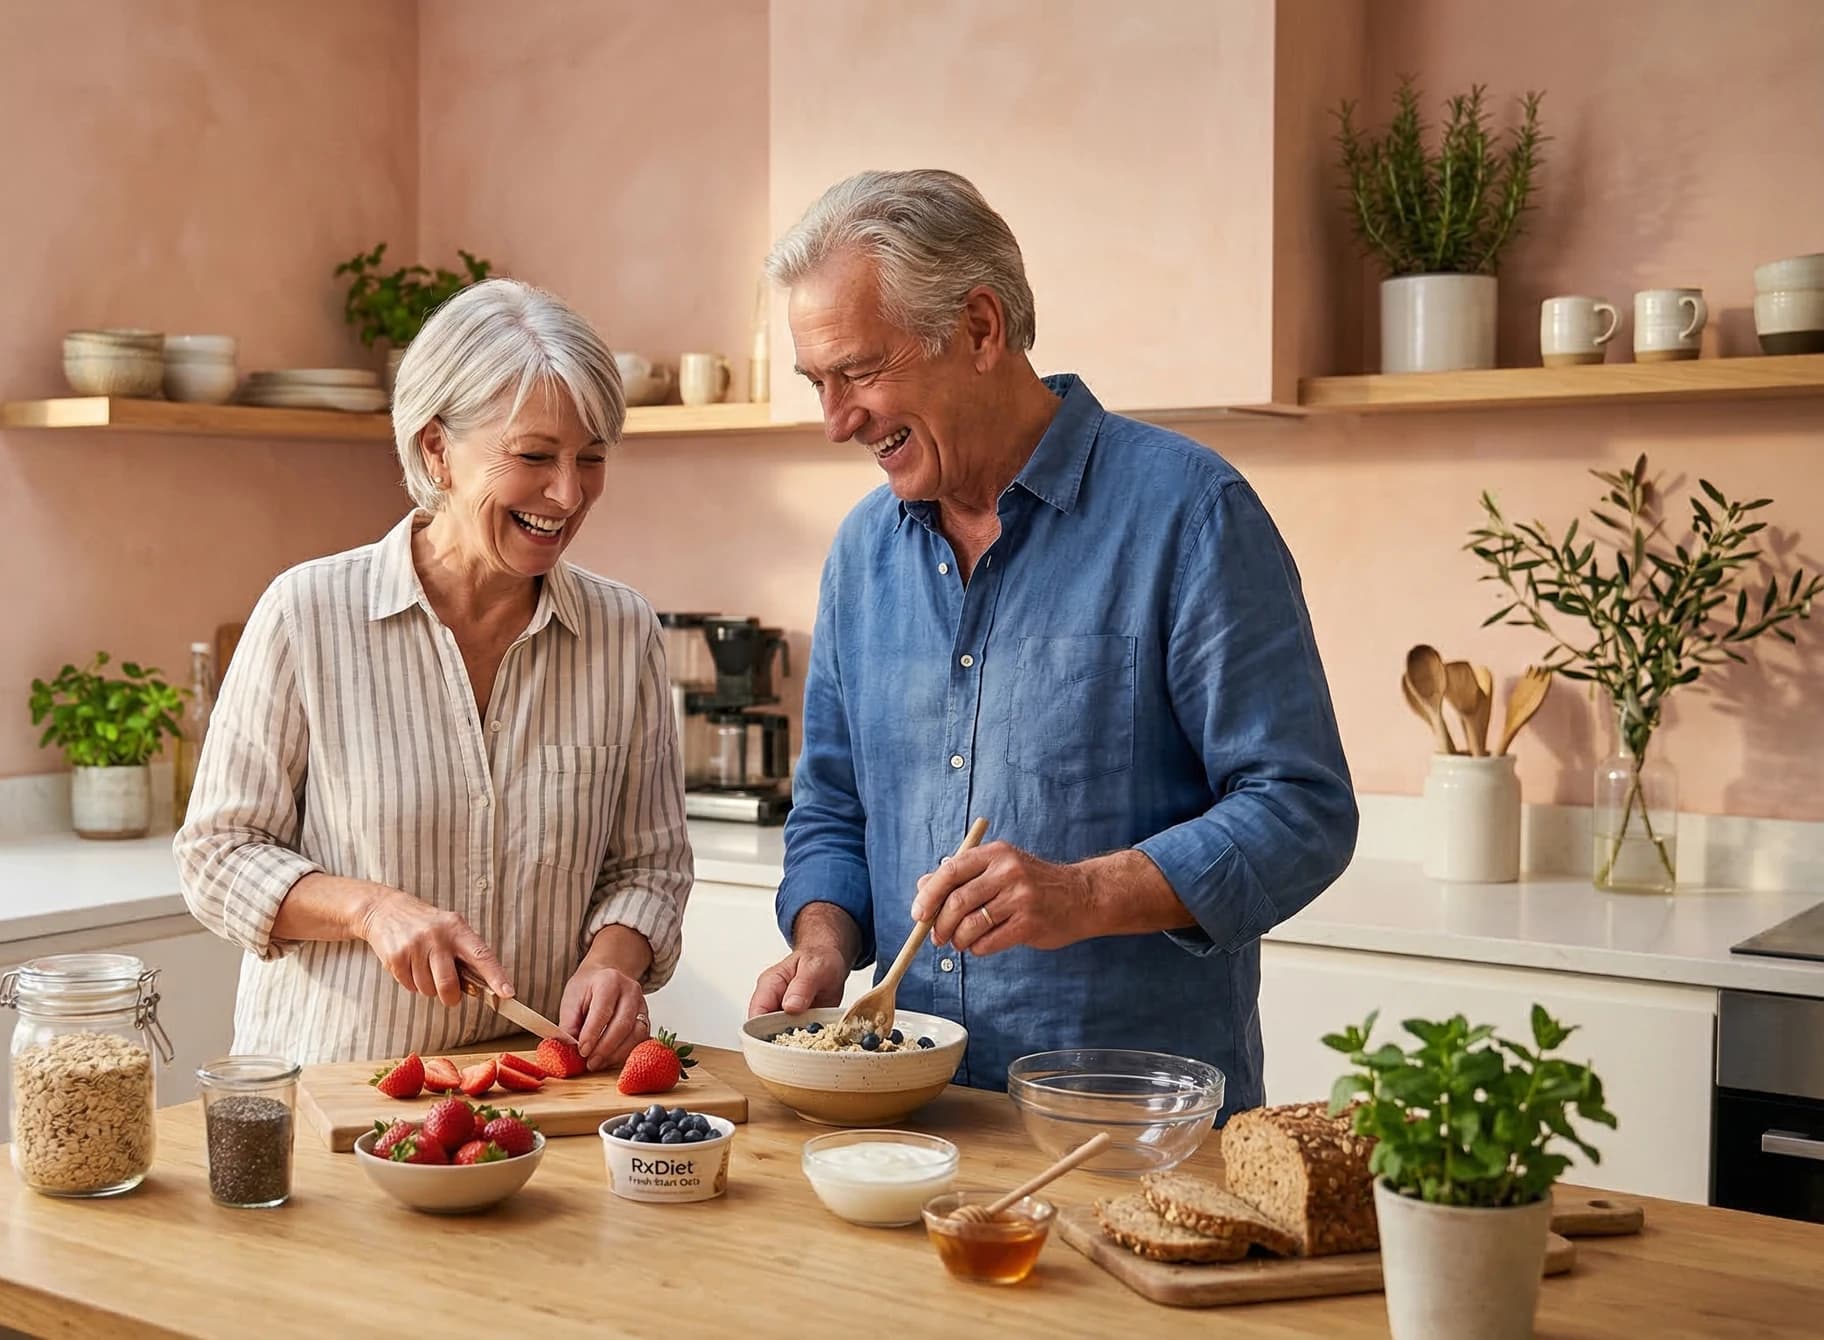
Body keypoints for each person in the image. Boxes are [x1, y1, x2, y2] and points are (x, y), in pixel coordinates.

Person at [746, 169, 1357, 1110]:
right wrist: (823, 944)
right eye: (817, 383)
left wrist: (1082, 895)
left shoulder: (1190, 514)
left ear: (982, 330)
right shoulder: (863, 553)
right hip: (910, 1113)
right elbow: (833, 807)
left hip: (1130, 1125)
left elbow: (1302, 811)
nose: (836, 423)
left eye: (860, 372)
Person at [177, 278, 692, 1068]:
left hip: (533, 1099)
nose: (567, 492)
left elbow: (648, 864)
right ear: (436, 449)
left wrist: (614, 959)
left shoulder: (622, 633)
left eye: (590, 459)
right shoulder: (306, 614)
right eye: (533, 456)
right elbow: (217, 855)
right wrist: (369, 910)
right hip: (338, 1092)